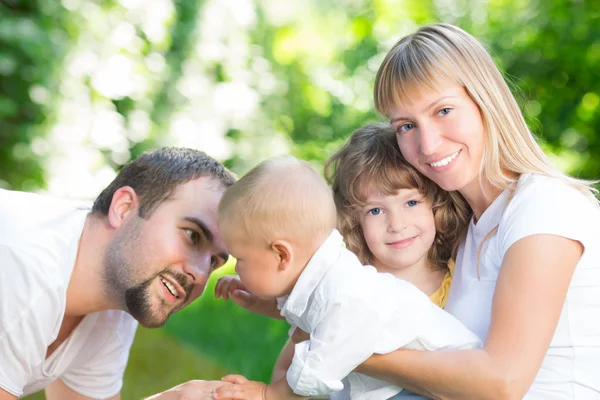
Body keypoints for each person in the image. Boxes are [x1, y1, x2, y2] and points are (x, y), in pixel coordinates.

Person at [351, 23, 600, 399]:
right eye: (406, 125)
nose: (428, 143)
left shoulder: (545, 207)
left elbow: (502, 381)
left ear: (485, 99)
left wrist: (345, 349)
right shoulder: (463, 231)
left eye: (444, 110)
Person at [211, 155, 481, 400]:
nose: (236, 269)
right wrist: (260, 298)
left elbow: (322, 363)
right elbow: (310, 312)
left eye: (241, 260)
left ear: (282, 255)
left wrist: (271, 394)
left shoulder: (344, 292)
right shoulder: (327, 279)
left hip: (441, 384)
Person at [0, 147, 235, 400]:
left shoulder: (117, 301)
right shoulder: (24, 265)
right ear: (124, 208)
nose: (200, 275)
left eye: (213, 262)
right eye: (192, 235)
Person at [267, 122, 471, 394]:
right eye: (375, 211)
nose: (397, 224)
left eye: (411, 203)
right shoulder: (350, 286)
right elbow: (292, 357)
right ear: (354, 220)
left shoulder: (461, 275)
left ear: (435, 203)